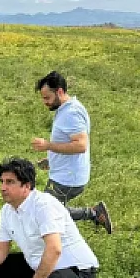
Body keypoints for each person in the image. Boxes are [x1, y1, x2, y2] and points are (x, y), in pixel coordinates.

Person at [31, 70, 112, 233]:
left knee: (46, 212)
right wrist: (51, 160)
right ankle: (94, 213)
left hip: (67, 179)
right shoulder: (68, 107)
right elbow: (68, 141)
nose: (44, 102)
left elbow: (81, 145)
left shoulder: (71, 113)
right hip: (67, 174)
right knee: (48, 211)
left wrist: (48, 146)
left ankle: (94, 214)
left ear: (59, 91)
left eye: (47, 97)